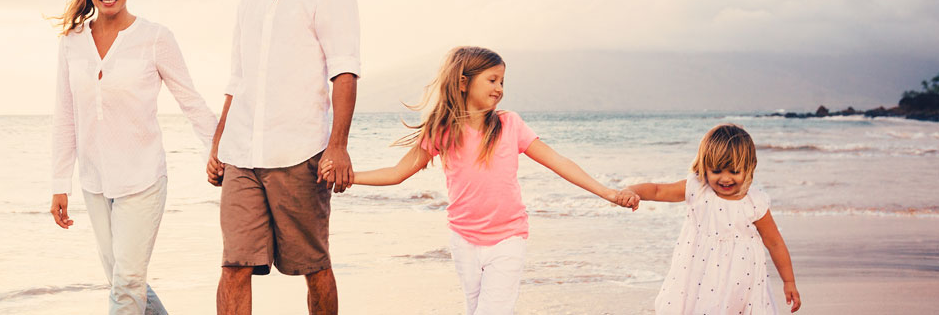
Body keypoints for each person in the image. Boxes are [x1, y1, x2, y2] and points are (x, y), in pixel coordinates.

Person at [322, 46, 636, 314]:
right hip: (463, 240)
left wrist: (608, 193)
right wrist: (350, 177)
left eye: (502, 81)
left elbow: (559, 162)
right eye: (492, 79)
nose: (500, 88)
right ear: (463, 82)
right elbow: (397, 173)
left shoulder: (509, 124)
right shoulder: (442, 130)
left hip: (508, 238)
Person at [204, 0, 360, 314]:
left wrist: (338, 145)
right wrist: (218, 143)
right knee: (234, 264)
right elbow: (237, 79)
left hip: (299, 152)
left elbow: (344, 71)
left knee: (313, 266)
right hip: (241, 155)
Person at [49, 0, 219, 315]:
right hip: (94, 180)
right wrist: (60, 183)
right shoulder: (72, 41)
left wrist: (219, 150)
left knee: (126, 285)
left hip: (142, 178)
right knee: (123, 281)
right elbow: (65, 115)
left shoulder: (155, 37)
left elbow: (190, 100)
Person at [619, 124, 802, 314]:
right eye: (716, 171)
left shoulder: (754, 202)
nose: (725, 178)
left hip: (740, 280)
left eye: (734, 171)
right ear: (704, 166)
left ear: (749, 167)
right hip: (698, 274)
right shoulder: (697, 189)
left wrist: (789, 281)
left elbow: (774, 243)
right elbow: (658, 190)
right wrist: (632, 191)